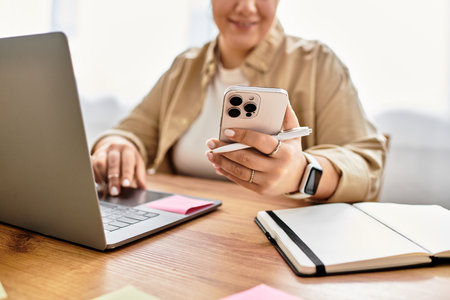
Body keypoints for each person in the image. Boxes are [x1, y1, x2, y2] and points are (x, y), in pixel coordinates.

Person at [91, 0, 387, 203]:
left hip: (273, 247)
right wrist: (118, 145)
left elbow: (367, 166)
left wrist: (303, 174)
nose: (246, 7)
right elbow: (130, 131)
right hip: (182, 242)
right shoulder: (185, 67)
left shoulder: (317, 64)